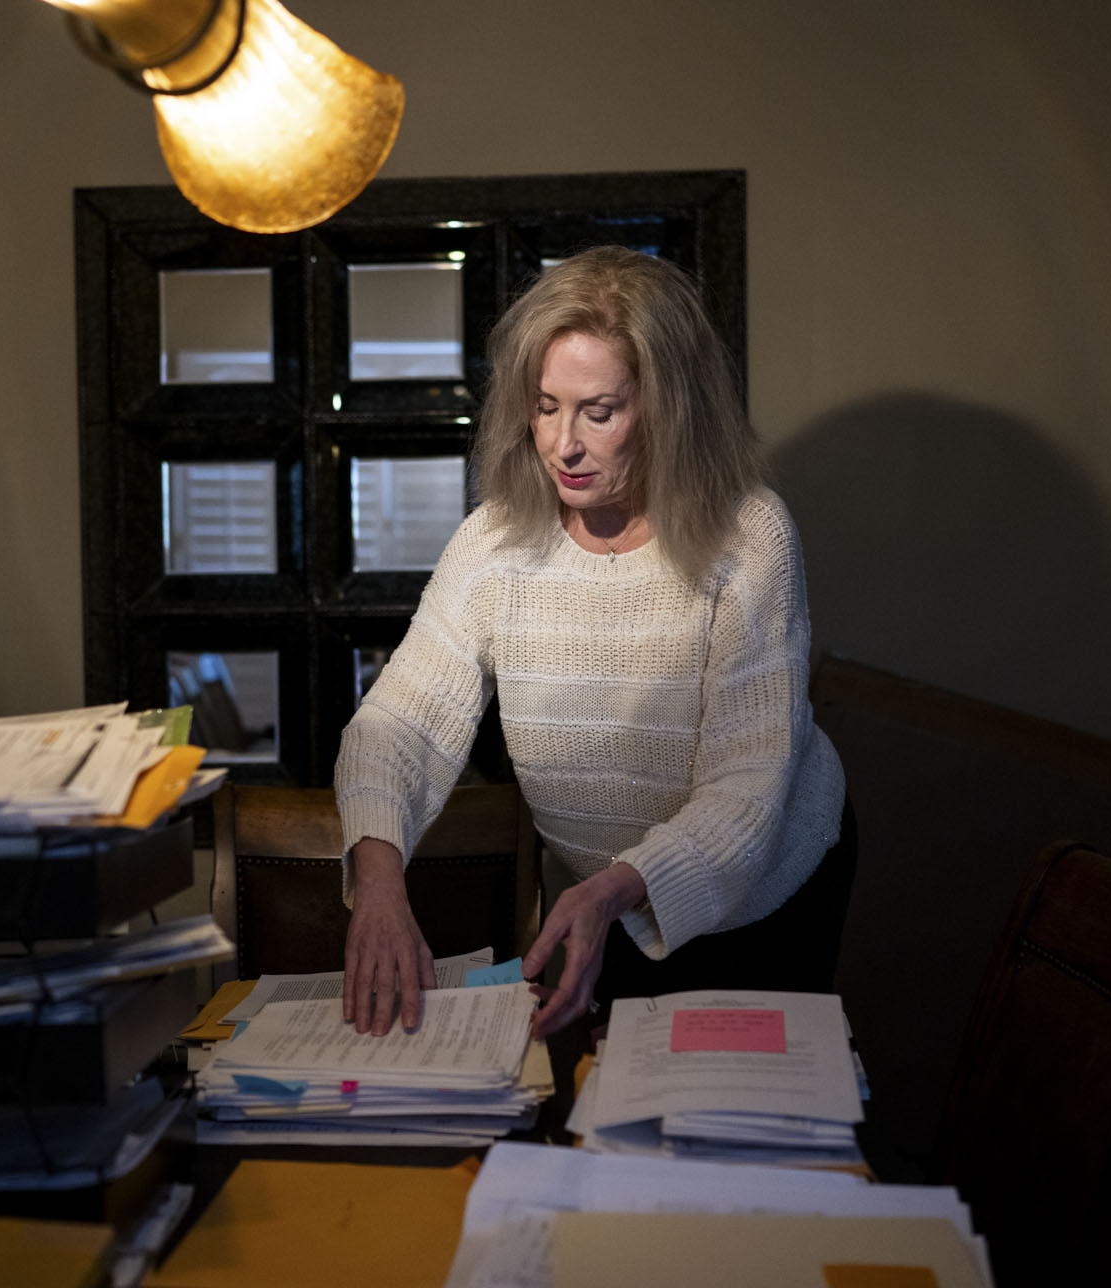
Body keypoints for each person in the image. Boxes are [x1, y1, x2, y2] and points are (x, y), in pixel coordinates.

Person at [335, 245, 851, 1039]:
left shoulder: (749, 540)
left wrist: (614, 889)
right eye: (545, 406)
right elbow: (398, 721)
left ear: (669, 408)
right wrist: (377, 883)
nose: (561, 445)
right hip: (598, 900)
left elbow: (744, 795)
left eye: (598, 411)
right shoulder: (496, 544)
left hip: (761, 899)